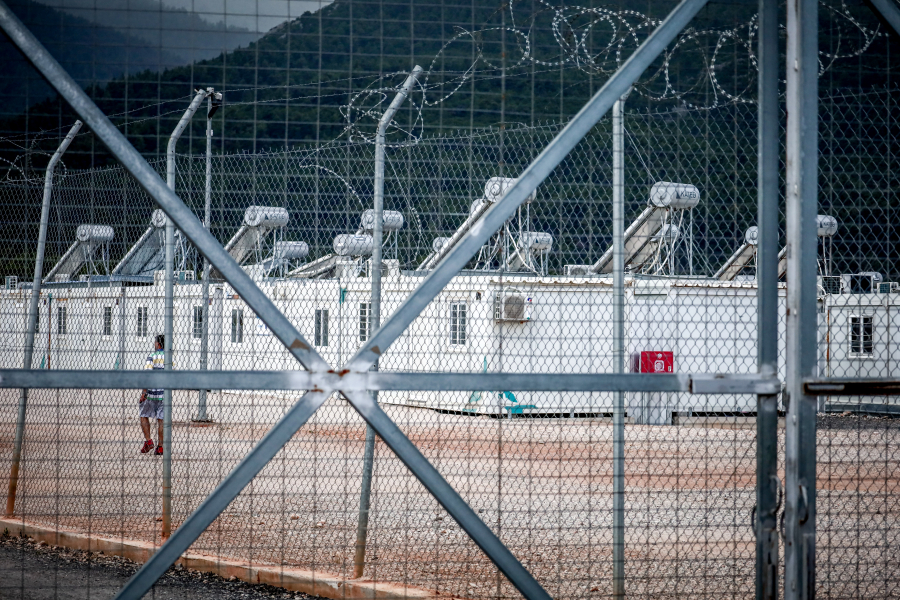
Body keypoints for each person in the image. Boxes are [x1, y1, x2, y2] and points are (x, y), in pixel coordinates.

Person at [139, 334, 166, 455]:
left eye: (155, 342)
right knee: (161, 420)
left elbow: (147, 375)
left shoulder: (152, 356)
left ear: (158, 344)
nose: (154, 344)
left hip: (151, 393)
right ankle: (160, 447)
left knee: (143, 414)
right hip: (164, 394)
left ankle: (149, 441)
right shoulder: (169, 358)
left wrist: (144, 392)